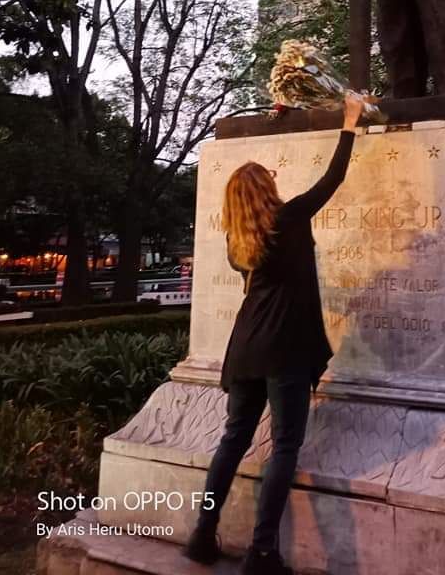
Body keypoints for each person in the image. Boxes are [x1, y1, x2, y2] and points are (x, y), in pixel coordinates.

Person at [184, 92, 364, 574]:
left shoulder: (237, 241)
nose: (278, 178)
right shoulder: (288, 219)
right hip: (283, 351)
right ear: (265, 191)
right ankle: (262, 550)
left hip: (244, 351)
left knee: (233, 440)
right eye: (271, 178)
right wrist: (348, 123)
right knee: (284, 445)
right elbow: (333, 179)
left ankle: (202, 534)